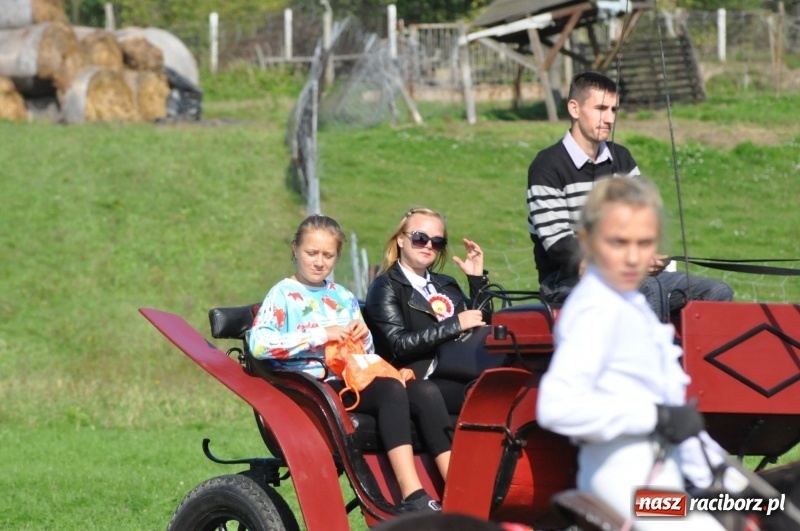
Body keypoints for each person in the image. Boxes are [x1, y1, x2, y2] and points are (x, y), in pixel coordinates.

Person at [536, 177, 729, 530]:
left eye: (644, 243)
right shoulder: (595, 308)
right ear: (588, 242)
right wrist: (654, 417)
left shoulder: (631, 304)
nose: (632, 257)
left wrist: (736, 486)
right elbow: (556, 407)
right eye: (618, 242)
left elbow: (678, 423)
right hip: (624, 488)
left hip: (661, 481)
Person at [248, 214, 451, 514]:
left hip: (351, 380)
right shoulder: (282, 295)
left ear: (337, 256)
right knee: (392, 390)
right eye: (311, 253)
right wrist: (320, 334)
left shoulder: (342, 296)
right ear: (295, 249)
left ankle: (459, 487)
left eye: (328, 255)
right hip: (313, 389)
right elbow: (260, 344)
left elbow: (362, 353)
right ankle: (413, 494)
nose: (319, 262)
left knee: (424, 392)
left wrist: (364, 335)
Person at [526, 71, 733, 319]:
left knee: (717, 292)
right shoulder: (547, 166)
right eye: (601, 108)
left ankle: (684, 357)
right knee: (647, 288)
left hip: (627, 272)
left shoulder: (621, 158)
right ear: (575, 108)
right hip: (564, 281)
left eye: (614, 110)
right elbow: (558, 244)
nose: (609, 118)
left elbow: (642, 221)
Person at [365, 207, 492, 415]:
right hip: (415, 376)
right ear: (400, 240)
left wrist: (477, 279)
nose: (428, 245)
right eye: (420, 238)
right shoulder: (386, 285)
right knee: (479, 398)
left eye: (437, 241)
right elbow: (398, 345)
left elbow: (483, 322)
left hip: (458, 369)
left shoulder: (446, 284)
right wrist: (455, 324)